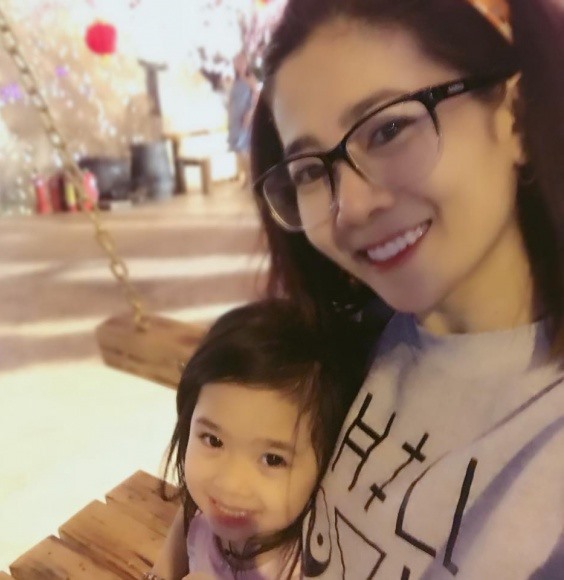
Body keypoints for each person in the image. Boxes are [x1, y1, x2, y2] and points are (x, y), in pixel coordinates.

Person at [154, 0, 564, 577]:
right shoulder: (350, 334)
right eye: (309, 170)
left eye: (389, 128)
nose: (348, 207)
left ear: (516, 116)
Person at [149, 299, 364, 579]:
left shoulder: (311, 565)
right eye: (213, 440)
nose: (230, 484)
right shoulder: (203, 515)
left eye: (272, 459)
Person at [228, 51, 259, 188]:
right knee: (237, 148)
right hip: (234, 117)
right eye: (236, 61)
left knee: (244, 147)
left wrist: (250, 113)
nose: (239, 64)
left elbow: (256, 96)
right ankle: (246, 176)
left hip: (245, 116)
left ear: (246, 63)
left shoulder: (250, 78)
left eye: (241, 61)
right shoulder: (235, 80)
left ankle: (252, 176)